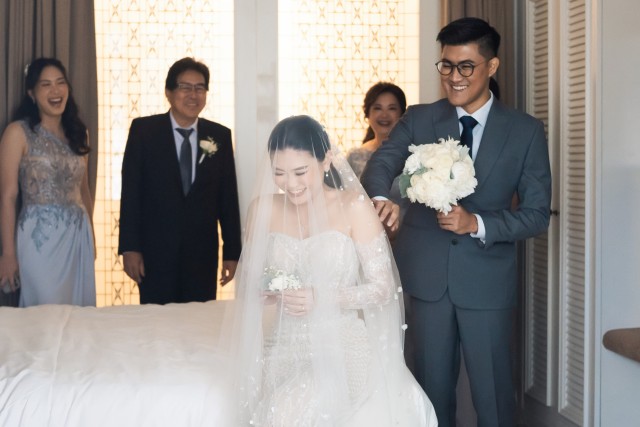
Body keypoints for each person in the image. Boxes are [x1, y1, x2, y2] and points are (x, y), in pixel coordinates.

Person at [361, 17, 551, 427]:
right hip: (426, 278)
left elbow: (537, 215)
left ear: (492, 66)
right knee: (429, 394)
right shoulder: (419, 118)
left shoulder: (525, 131)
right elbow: (382, 162)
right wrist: (380, 198)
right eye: (446, 65)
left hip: (487, 282)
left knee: (494, 397)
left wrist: (476, 223)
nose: (454, 76)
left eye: (466, 66)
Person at [224, 115, 438, 426]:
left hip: (341, 347)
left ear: (325, 161)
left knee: (285, 410)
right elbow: (250, 279)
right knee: (271, 404)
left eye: (300, 172)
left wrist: (320, 297)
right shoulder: (262, 208)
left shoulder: (354, 207)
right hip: (281, 346)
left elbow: (382, 289)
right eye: (279, 173)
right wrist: (264, 292)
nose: (290, 184)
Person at [118, 57, 242, 304]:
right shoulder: (144, 131)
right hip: (155, 253)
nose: (193, 95)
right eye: (185, 87)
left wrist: (232, 252)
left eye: (200, 88)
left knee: (198, 319)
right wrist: (130, 247)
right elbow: (131, 192)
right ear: (169, 92)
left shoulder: (219, 136)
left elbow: (227, 198)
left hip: (202, 255)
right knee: (156, 319)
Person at [0, 57, 96, 307]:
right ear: (32, 94)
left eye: (60, 82)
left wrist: (92, 238)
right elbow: (8, 196)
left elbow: (84, 190)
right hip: (39, 238)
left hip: (77, 236)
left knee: (77, 315)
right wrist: (8, 254)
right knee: (45, 312)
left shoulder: (79, 133)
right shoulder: (17, 132)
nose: (55, 90)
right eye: (46, 85)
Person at [347, 82, 409, 237]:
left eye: (392, 108)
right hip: (367, 237)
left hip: (408, 238)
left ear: (402, 115)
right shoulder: (354, 157)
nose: (384, 115)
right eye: (377, 108)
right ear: (367, 114)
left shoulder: (414, 157)